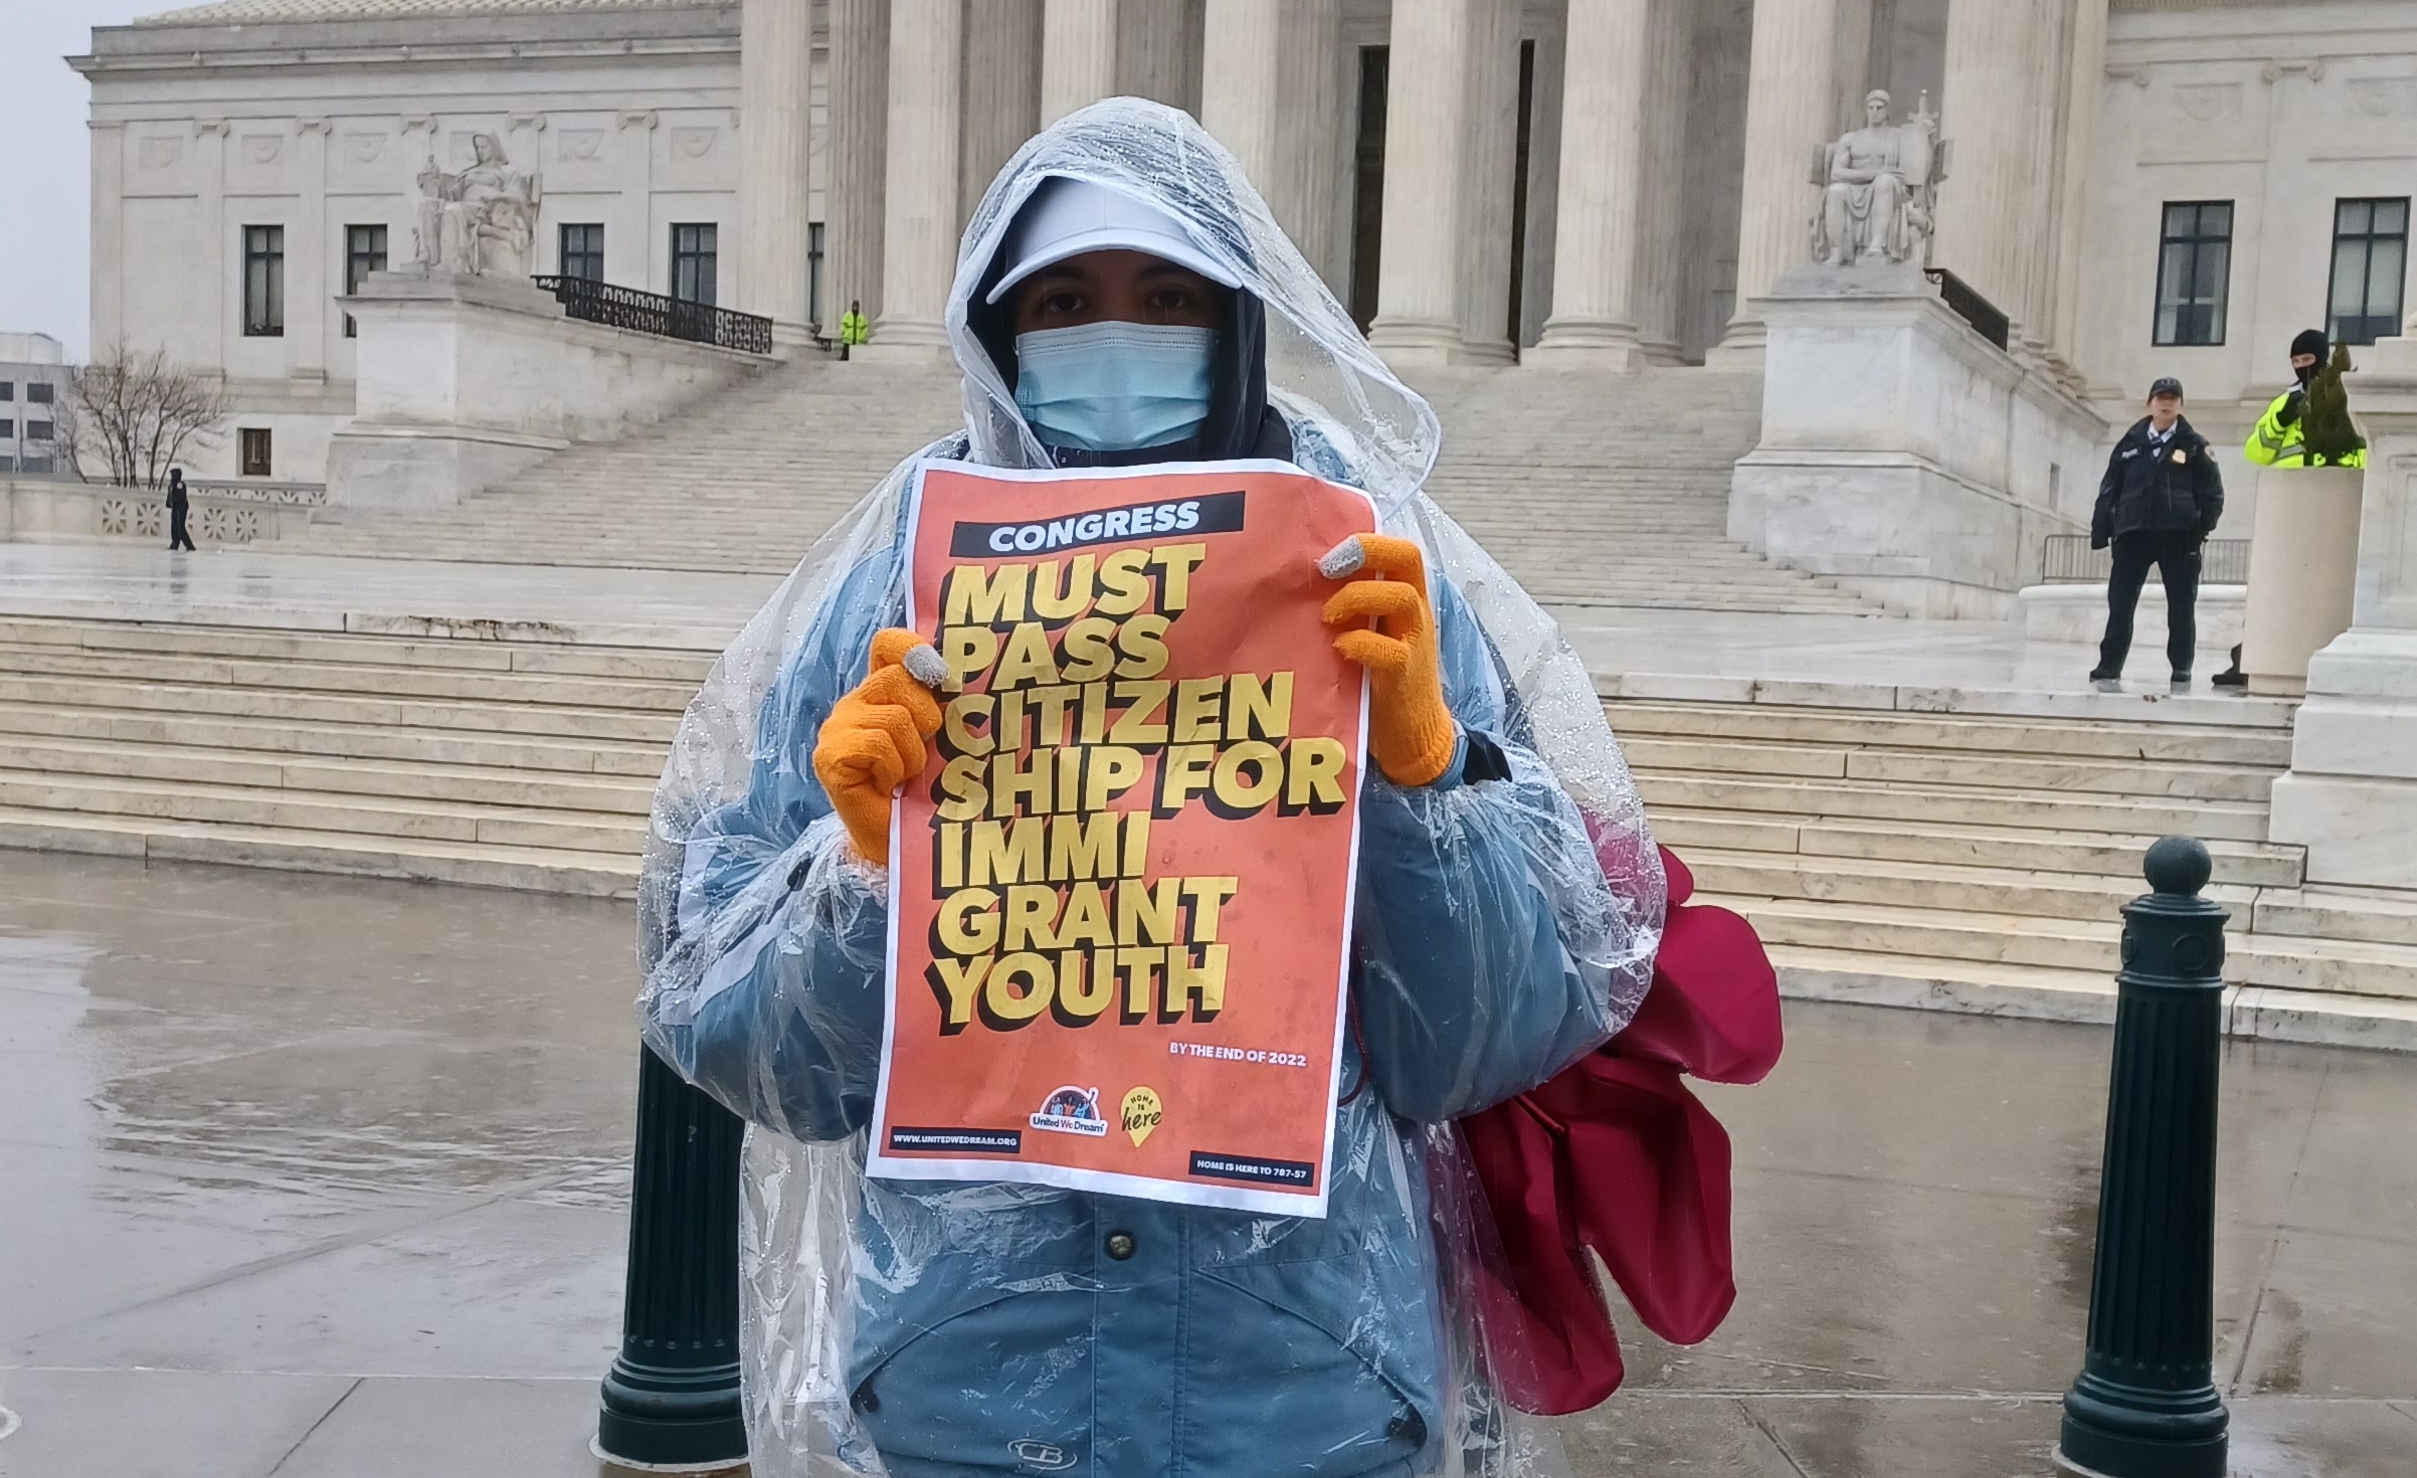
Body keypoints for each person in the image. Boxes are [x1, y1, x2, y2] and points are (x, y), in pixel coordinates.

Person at [639, 98, 1666, 1478]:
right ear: (997, 329)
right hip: (969, 1390)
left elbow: (1478, 1046)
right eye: (1061, 298)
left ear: (1233, 319)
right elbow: (748, 1047)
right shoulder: (892, 584)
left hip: (1299, 1392)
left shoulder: (1363, 569)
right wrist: (861, 868)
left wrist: (1430, 777)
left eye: (1164, 295)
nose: (1110, 336)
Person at [2211, 328, 2368, 689]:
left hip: (2331, 508)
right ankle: (2253, 655)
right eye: (2295, 362)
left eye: (2307, 361)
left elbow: (2361, 450)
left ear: (2322, 359)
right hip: (2288, 512)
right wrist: (2280, 422)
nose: (2301, 368)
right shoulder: (2285, 402)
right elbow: (2256, 450)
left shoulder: (2343, 400)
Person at [2088, 377, 2222, 692]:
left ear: (2181, 405)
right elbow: (2110, 489)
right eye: (2161, 397)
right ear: (2149, 403)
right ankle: (2109, 665)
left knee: (2181, 605)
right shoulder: (2130, 444)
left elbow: (2212, 493)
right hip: (2134, 534)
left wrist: (2200, 529)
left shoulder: (2194, 445)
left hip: (2178, 537)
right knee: (2120, 603)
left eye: (2173, 398)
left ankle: (2181, 668)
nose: (2167, 403)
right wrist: (2102, 531)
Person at [164, 466, 194, 552]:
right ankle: (175, 543)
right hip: (175, 507)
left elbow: (181, 497)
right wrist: (169, 503)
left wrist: (174, 501)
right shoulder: (172, 485)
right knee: (174, 526)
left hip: (181, 508)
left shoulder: (180, 484)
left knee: (180, 527)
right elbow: (169, 495)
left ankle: (189, 545)